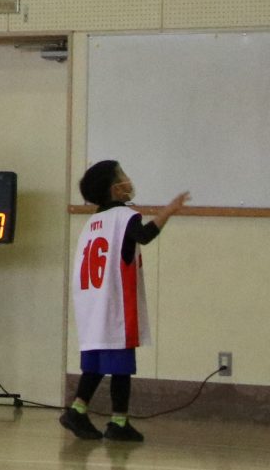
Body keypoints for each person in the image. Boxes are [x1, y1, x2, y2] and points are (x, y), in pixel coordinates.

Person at [63, 160, 188, 444]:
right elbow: (144, 236)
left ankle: (78, 410)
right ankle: (118, 422)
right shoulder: (124, 216)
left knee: (95, 364)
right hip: (114, 304)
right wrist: (168, 212)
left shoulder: (92, 223)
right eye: (122, 176)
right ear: (114, 188)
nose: (127, 180)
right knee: (121, 365)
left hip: (90, 303)